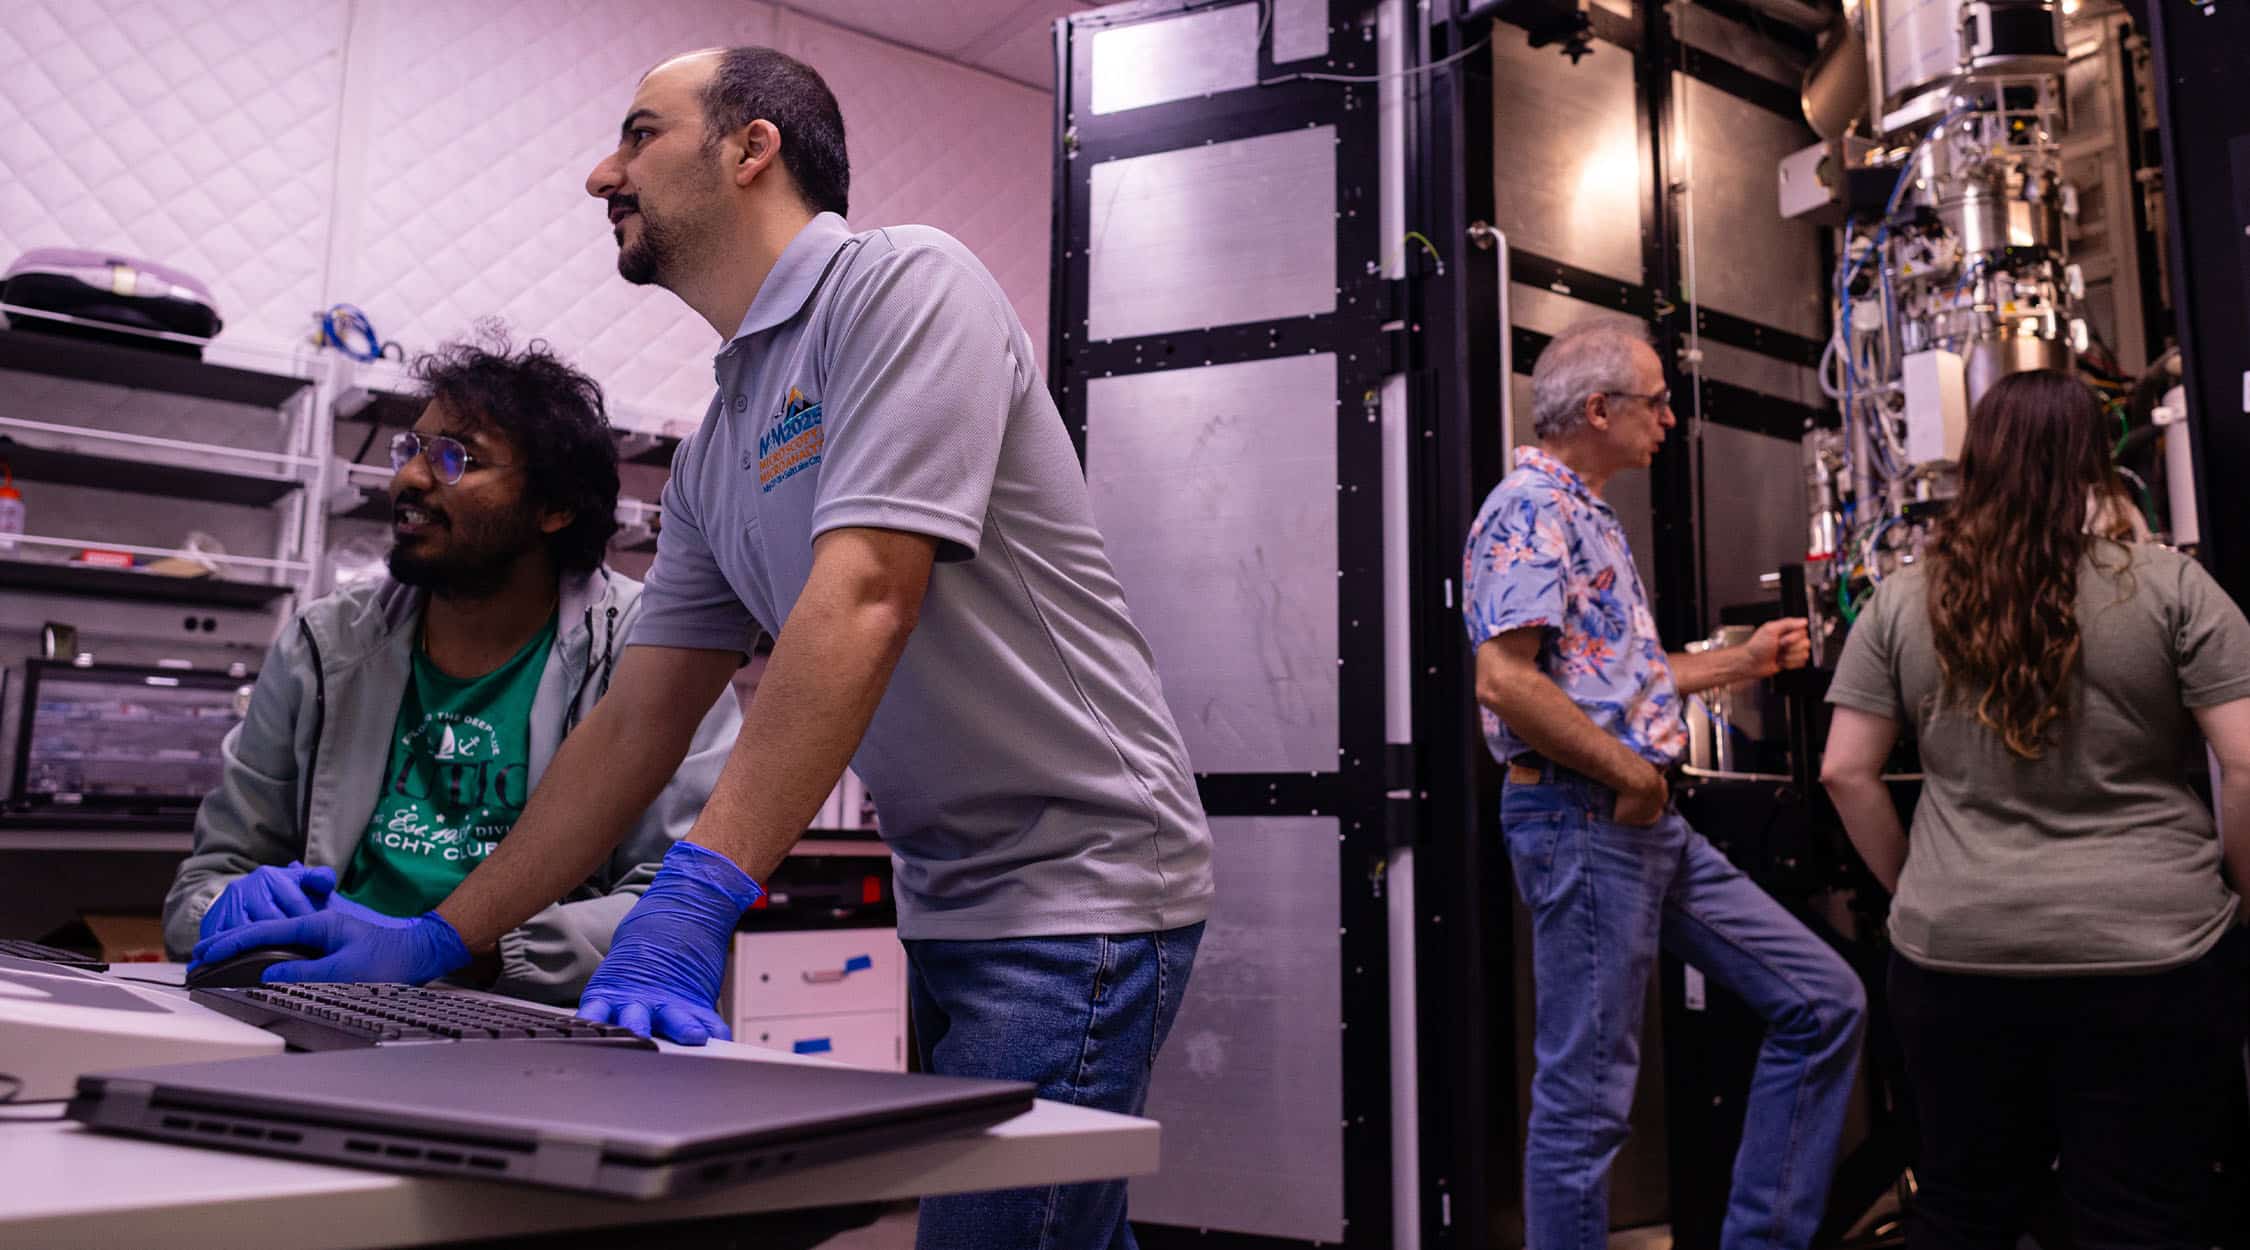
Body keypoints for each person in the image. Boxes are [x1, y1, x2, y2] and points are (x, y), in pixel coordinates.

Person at [196, 46, 1214, 1249]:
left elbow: (866, 597)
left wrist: (692, 898)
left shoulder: (904, 284)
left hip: (1078, 879)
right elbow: (638, 720)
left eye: (639, 134)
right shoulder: (726, 435)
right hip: (955, 892)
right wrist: (437, 935)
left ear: (750, 149)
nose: (601, 174)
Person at [170, 337, 741, 1002]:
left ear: (554, 508)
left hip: (523, 1015)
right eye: (410, 450)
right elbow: (204, 882)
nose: (409, 479)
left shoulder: (655, 652)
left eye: (455, 458)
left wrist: (472, 948)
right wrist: (228, 909)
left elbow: (673, 907)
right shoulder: (323, 644)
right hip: (323, 995)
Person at [1820, 369, 2250, 1249]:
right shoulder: (2172, 586)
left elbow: (1844, 772)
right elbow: (2246, 762)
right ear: (2091, 460)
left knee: (1964, 1215)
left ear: (1977, 459)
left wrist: (1920, 887)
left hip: (1954, 956)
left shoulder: (1901, 598)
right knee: (2139, 1221)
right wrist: (2241, 893)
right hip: (2150, 954)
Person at [1466, 320, 1866, 1250]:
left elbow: (1614, 679)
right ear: (1599, 409)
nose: (1670, 417)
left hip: (1636, 822)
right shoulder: (1528, 509)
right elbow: (1505, 682)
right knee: (1586, 1106)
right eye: (1655, 400)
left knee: (1824, 1003)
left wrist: (1743, 663)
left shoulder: (1587, 513)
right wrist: (1632, 778)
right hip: (1584, 815)